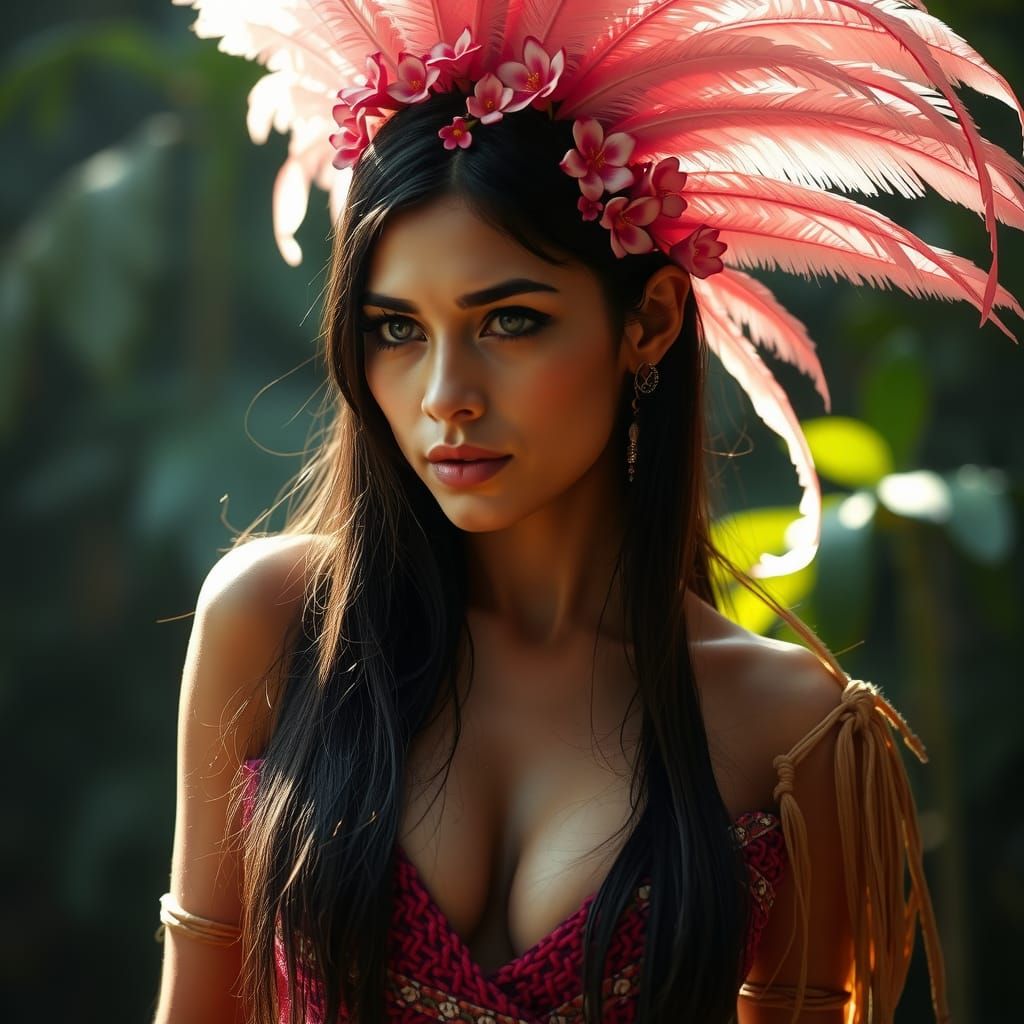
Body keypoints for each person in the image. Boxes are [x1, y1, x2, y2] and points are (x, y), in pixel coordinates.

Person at [156, 3, 1024, 1022]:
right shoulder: (271, 624)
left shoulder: (791, 732)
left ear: (648, 321)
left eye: (509, 321)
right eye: (396, 329)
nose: (444, 396)